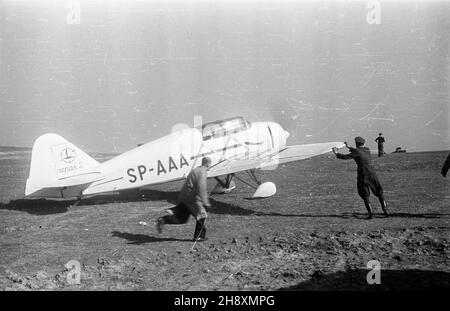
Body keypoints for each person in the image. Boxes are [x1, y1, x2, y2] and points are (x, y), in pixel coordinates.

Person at [156, 157, 212, 241]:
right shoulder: (202, 172)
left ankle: (163, 220)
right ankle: (199, 236)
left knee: (182, 219)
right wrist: (206, 202)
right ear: (208, 164)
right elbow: (201, 188)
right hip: (192, 198)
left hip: (185, 196)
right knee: (202, 216)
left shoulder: (196, 170)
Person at [332, 137, 388, 219]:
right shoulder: (367, 149)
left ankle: (371, 215)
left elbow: (345, 157)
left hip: (363, 175)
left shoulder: (356, 152)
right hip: (372, 174)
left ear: (356, 143)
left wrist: (336, 153)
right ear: (363, 143)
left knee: (365, 195)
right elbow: (357, 151)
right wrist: (348, 147)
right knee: (379, 192)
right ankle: (386, 211)